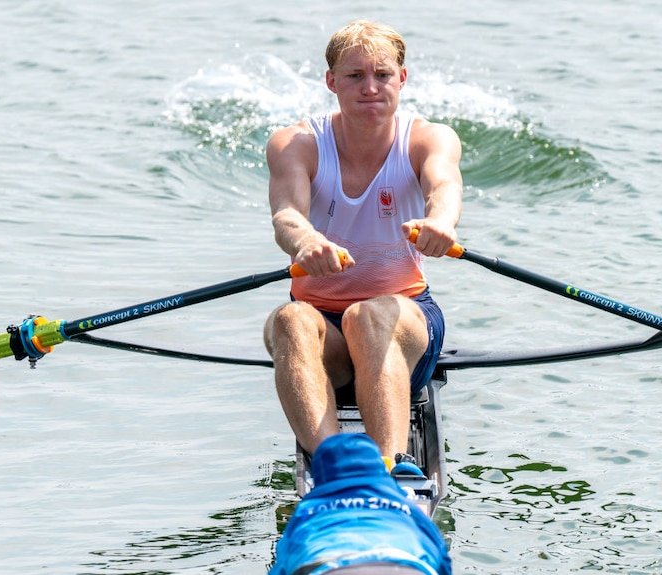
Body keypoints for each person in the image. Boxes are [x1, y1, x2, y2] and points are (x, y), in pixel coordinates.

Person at [262, 20, 463, 469]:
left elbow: (445, 186)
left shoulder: (430, 138)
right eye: (354, 76)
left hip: (403, 316)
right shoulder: (296, 143)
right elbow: (286, 215)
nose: (370, 88)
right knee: (290, 319)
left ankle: (390, 466)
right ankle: (336, 466)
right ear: (332, 81)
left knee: (367, 315)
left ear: (402, 79)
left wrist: (441, 222)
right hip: (322, 329)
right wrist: (306, 240)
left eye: (382, 75)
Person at [270, 433, 452, 575]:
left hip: (328, 567)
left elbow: (282, 565)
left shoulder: (306, 511)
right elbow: (442, 559)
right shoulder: (406, 506)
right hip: (406, 565)